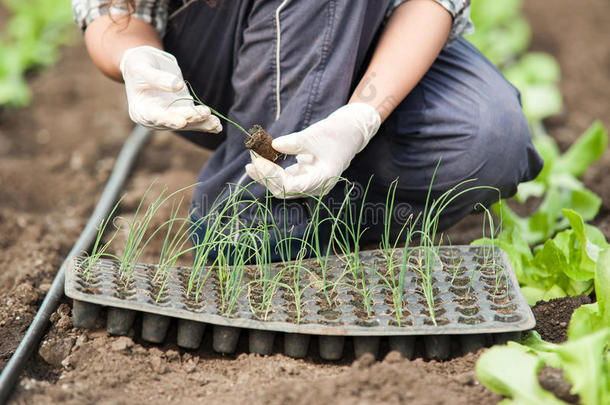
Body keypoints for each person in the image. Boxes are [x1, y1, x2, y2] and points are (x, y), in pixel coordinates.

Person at [73, 0, 543, 257]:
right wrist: (135, 59)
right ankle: (249, 222)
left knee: (488, 143)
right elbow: (112, 11)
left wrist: (361, 117)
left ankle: (322, 213)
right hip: (220, 39)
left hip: (372, 34)